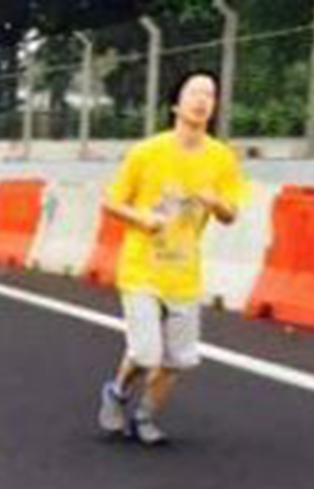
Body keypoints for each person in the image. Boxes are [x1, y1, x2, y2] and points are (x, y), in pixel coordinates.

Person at [95, 70, 245, 447]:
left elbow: (230, 215)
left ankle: (144, 417)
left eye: (210, 94)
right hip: (141, 269)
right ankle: (116, 392)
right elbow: (110, 202)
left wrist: (216, 203)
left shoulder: (221, 158)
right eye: (194, 92)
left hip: (184, 273)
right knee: (146, 353)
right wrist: (141, 219)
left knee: (177, 360)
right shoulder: (147, 152)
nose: (202, 100)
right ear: (176, 104)